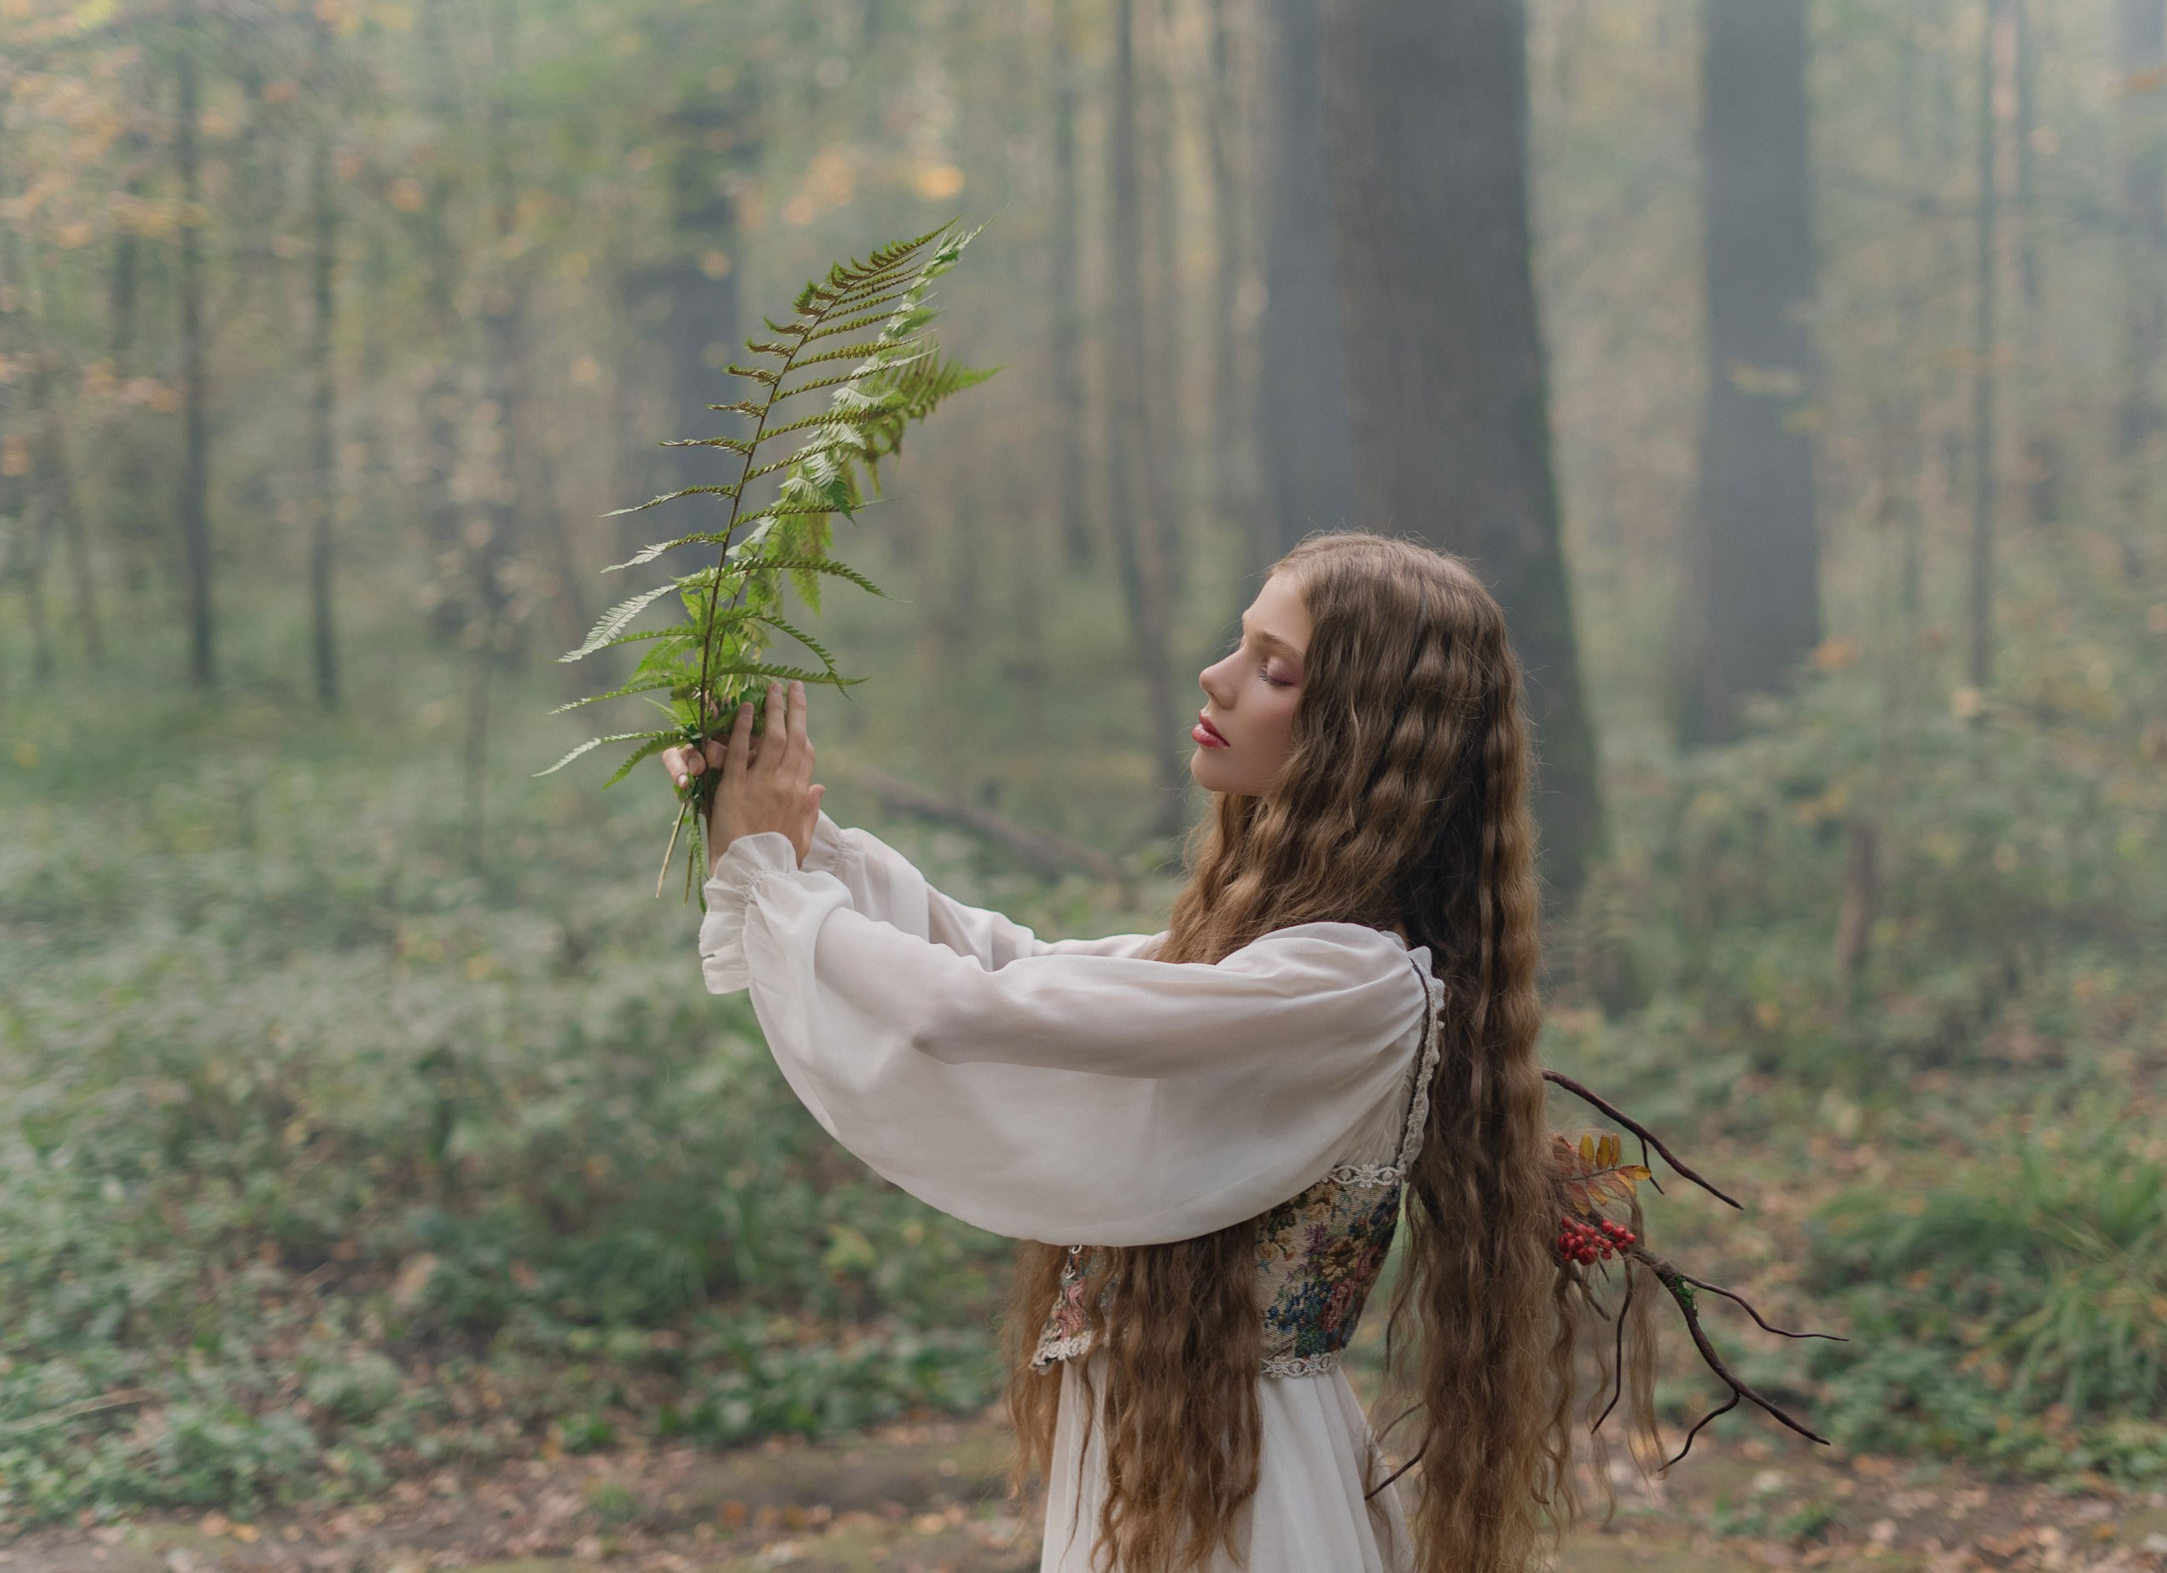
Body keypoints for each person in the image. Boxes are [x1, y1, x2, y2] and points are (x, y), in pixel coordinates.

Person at [664, 532, 1575, 1573]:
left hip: (1250, 1490)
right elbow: (1012, 959)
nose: (1217, 678)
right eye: (1239, 645)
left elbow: (974, 1012)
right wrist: (796, 842)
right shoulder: (1263, 957)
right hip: (1177, 1451)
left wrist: (777, 880)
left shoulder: (1349, 985)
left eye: (1274, 670)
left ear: (1362, 741)